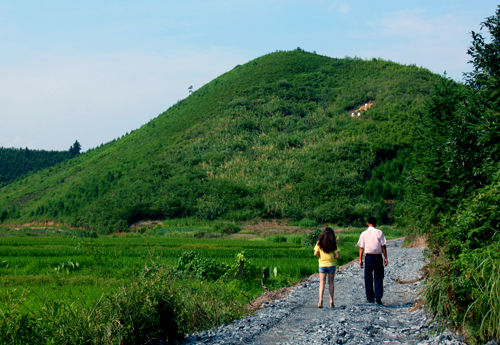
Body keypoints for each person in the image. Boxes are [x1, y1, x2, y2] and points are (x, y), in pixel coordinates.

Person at [357, 216, 388, 305]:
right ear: (375, 223)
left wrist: (360, 259)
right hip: (378, 256)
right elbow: (383, 246)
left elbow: (361, 247)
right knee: (378, 276)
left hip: (368, 257)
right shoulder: (379, 232)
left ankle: (370, 297)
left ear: (368, 223)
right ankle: (378, 297)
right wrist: (385, 257)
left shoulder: (363, 233)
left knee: (368, 277)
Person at [314, 227, 340, 308]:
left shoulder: (319, 243)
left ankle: (320, 300)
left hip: (322, 265)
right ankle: (331, 301)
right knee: (331, 282)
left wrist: (320, 256)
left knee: (322, 282)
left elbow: (315, 253)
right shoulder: (334, 243)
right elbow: (337, 255)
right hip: (331, 265)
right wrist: (333, 257)